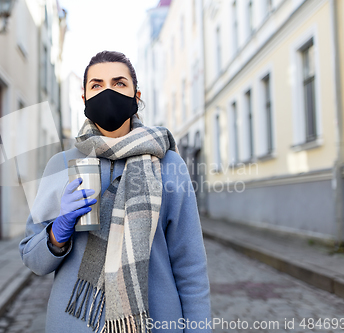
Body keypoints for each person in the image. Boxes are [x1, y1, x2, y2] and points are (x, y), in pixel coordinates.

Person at [19, 50, 212, 333]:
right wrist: (57, 233)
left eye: (119, 83)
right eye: (96, 85)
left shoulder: (169, 164)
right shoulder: (61, 165)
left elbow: (190, 266)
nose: (107, 92)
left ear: (137, 96)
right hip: (75, 324)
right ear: (84, 98)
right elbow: (32, 258)